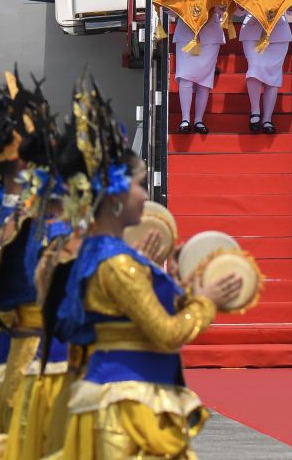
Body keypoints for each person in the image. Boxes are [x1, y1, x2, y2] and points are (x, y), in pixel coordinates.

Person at [52, 80, 243, 459]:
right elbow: (167, 333)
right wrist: (205, 301)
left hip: (120, 398)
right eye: (139, 186)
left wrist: (170, 282)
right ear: (116, 198)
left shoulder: (102, 254)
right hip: (126, 409)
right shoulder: (117, 262)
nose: (145, 195)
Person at [235, 0, 292, 134]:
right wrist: (238, 4)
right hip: (253, 29)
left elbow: (289, 9)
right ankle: (255, 111)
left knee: (272, 75)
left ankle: (267, 118)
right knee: (254, 70)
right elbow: (239, 10)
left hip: (277, 32)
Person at [172, 0, 226, 135]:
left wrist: (219, 7)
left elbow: (222, 4)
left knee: (204, 79)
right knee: (185, 78)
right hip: (186, 30)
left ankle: (199, 120)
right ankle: (185, 119)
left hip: (210, 31)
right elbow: (172, 6)